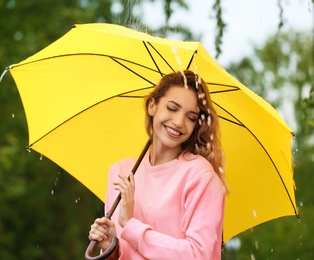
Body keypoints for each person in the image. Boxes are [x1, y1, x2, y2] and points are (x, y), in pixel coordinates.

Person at [89, 70, 228, 259]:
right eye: (172, 108)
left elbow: (198, 255)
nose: (179, 122)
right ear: (152, 106)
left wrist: (130, 225)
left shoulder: (201, 176)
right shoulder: (120, 172)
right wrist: (112, 248)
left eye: (191, 117)